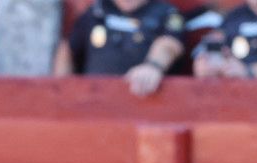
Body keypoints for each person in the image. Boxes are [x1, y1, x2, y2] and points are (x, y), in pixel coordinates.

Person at [53, 0, 187, 98]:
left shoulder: (166, 13)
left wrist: (153, 66)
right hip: (95, 103)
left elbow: (170, 44)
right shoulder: (97, 10)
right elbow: (68, 49)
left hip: (144, 100)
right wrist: (63, 91)